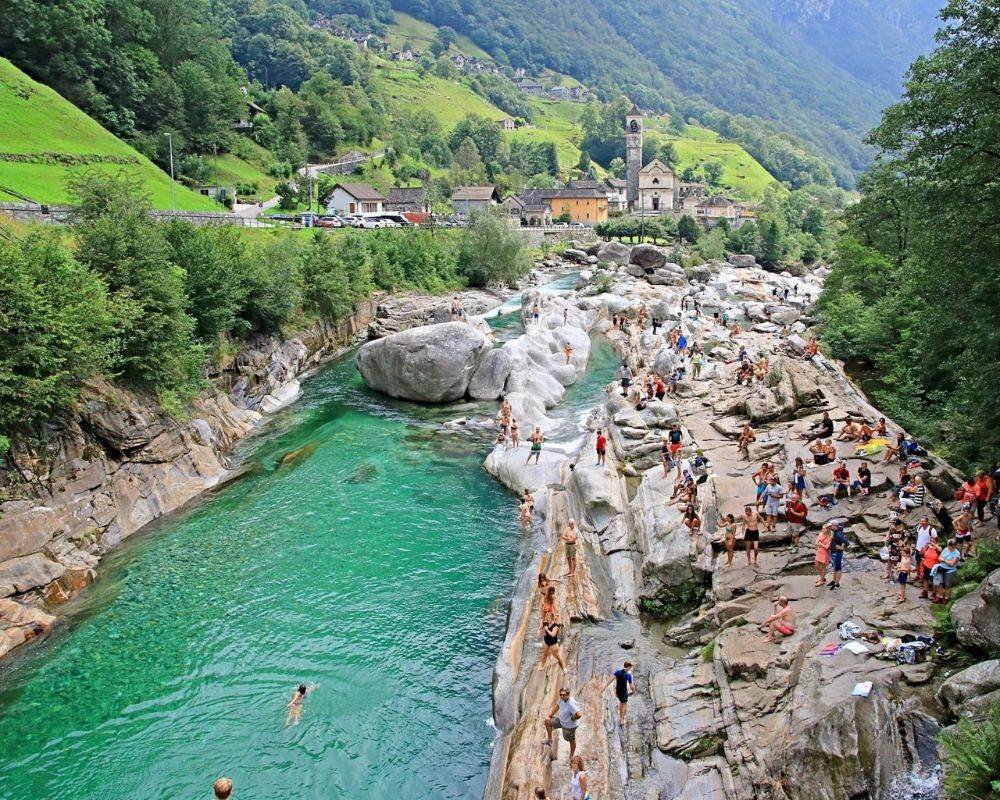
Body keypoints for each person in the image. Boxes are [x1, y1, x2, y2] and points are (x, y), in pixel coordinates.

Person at [544, 688, 582, 761]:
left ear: (568, 695)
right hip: (561, 721)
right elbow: (557, 707)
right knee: (547, 722)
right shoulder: (562, 699)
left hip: (569, 727)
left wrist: (573, 718)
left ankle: (571, 755)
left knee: (571, 740)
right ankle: (549, 740)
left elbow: (579, 714)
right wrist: (551, 715)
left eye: (563, 695)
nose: (561, 696)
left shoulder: (571, 704)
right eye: (560, 695)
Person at [605, 661, 635, 725]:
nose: (630, 669)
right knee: (624, 704)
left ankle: (620, 712)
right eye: (630, 668)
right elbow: (631, 686)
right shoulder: (628, 675)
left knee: (621, 702)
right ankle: (622, 719)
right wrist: (634, 691)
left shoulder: (618, 671)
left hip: (617, 691)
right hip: (624, 692)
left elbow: (611, 679)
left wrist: (605, 686)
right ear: (628, 667)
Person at [920, 534, 941, 599]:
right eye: (931, 539)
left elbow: (940, 550)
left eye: (933, 539)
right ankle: (925, 592)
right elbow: (922, 553)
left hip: (934, 566)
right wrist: (925, 546)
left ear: (936, 541)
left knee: (934, 580)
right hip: (926, 564)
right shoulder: (928, 546)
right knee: (925, 579)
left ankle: (934, 594)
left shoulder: (938, 547)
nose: (931, 540)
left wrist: (934, 545)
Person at [828, 523, 849, 590]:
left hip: (837, 553)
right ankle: (834, 581)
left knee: (838, 568)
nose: (830, 527)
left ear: (835, 526)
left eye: (831, 526)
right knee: (835, 567)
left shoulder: (838, 533)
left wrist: (843, 547)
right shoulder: (835, 532)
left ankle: (837, 584)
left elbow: (847, 542)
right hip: (834, 553)